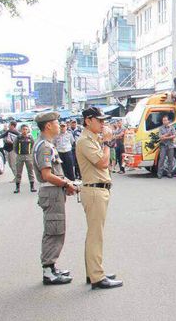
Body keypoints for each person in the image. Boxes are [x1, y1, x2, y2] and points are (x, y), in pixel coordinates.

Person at [75, 107, 122, 289]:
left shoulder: (92, 139)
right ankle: (97, 276)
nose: (103, 124)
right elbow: (103, 163)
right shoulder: (85, 140)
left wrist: (104, 142)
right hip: (94, 190)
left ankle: (93, 271)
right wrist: (107, 143)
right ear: (88, 120)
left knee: (95, 234)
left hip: (98, 190)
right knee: (96, 235)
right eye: (100, 121)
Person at [32, 111, 76, 285]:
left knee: (56, 229)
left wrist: (66, 183)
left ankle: (51, 267)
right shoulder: (44, 146)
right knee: (54, 230)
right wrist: (66, 184)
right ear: (48, 125)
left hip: (54, 193)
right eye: (57, 123)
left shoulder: (47, 144)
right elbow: (47, 174)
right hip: (51, 193)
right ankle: (48, 270)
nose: (59, 125)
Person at [13, 124, 37, 193]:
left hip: (28, 156)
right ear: (21, 130)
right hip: (20, 156)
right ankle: (17, 187)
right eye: (23, 129)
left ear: (28, 130)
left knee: (30, 171)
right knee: (18, 172)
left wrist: (31, 153)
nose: (25, 131)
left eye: (26, 129)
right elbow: (14, 147)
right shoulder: (18, 138)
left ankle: (32, 186)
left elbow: (33, 145)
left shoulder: (30, 137)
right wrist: (18, 153)